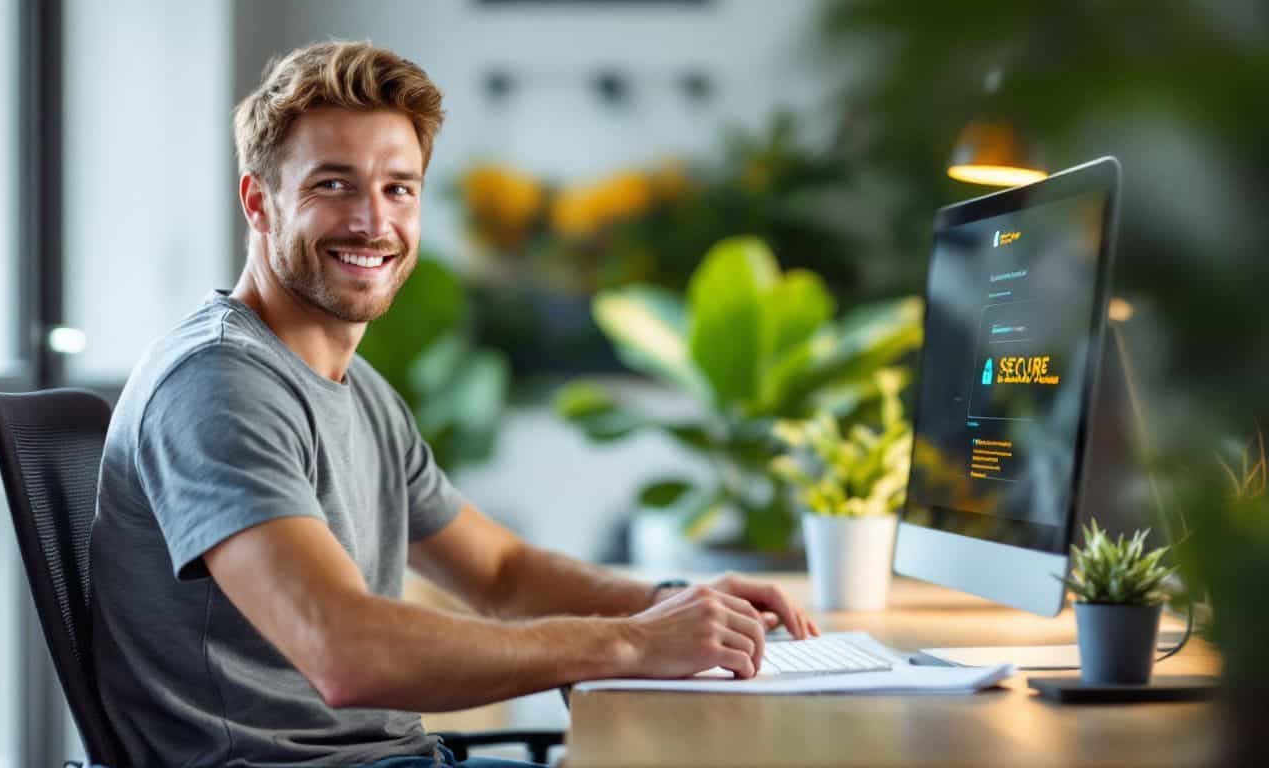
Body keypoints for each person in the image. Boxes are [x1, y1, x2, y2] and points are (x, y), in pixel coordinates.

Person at [89, 40, 818, 768]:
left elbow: (500, 572)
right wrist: (631, 643)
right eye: (334, 185)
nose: (373, 223)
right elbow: (346, 652)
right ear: (260, 202)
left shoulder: (357, 388)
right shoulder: (219, 384)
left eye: (398, 188)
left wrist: (663, 602)